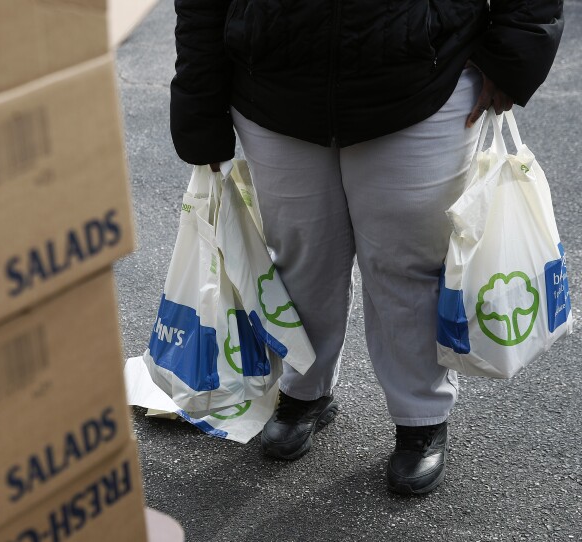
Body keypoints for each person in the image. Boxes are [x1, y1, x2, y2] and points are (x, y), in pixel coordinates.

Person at [170, 0, 563, 495]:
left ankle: (420, 416)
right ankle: (303, 390)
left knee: (407, 263)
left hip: (421, 78)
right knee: (298, 258)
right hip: (275, 83)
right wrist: (199, 98)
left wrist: (516, 49)